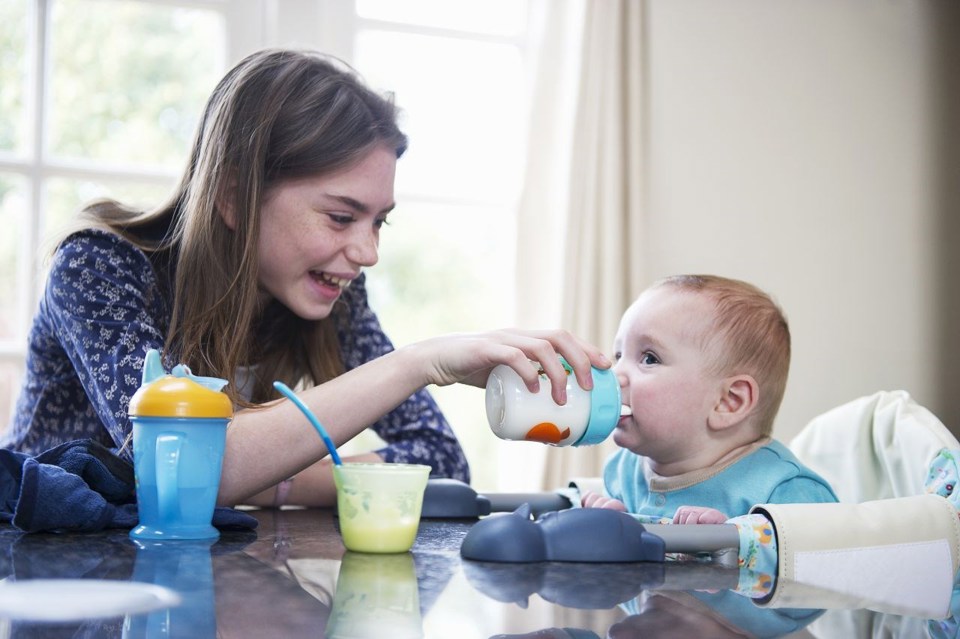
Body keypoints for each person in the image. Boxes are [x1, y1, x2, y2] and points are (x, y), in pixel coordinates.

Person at [3, 47, 609, 508]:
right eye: (342, 216)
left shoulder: (325, 289)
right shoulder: (100, 268)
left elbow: (440, 461)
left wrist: (274, 479)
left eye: (379, 224)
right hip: (50, 577)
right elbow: (182, 472)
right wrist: (417, 362)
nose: (367, 253)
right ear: (236, 196)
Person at [581, 274, 837, 523]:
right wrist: (610, 523)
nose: (615, 375)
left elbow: (829, 558)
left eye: (649, 358)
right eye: (618, 356)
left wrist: (731, 546)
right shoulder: (622, 470)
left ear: (728, 402)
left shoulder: (787, 494)